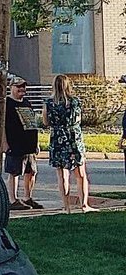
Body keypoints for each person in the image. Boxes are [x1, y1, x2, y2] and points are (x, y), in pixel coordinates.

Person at [42, 74, 93, 213]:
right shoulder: (75, 102)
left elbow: (46, 122)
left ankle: (66, 207)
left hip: (58, 139)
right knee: (80, 173)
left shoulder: (49, 103)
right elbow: (79, 119)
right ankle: (84, 205)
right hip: (73, 138)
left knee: (62, 175)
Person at [3, 77, 42, 211]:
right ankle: (12, 200)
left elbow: (32, 123)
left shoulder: (26, 102)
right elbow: (1, 125)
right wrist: (4, 143)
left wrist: (36, 143)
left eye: (23, 86)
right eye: (18, 86)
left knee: (31, 172)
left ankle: (27, 197)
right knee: (14, 171)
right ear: (11, 87)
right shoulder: (7, 104)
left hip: (29, 144)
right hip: (14, 143)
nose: (22, 89)